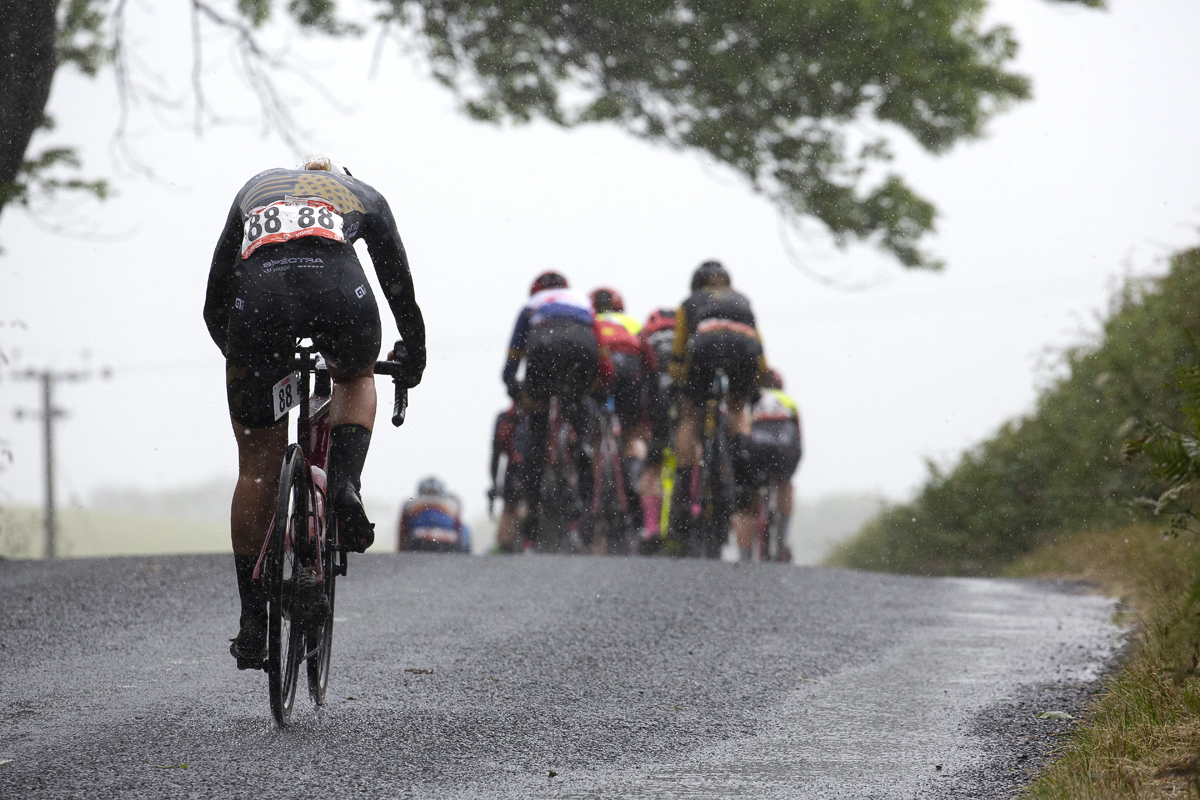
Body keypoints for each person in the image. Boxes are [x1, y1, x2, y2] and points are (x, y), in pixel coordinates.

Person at [204, 156, 425, 670]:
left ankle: (253, 620)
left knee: (257, 468)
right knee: (354, 375)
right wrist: (412, 354)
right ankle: (345, 483)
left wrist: (243, 360)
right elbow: (399, 288)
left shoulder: (255, 186)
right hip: (340, 294)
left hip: (260, 305)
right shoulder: (361, 193)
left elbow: (215, 299)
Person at [666, 260, 768, 558]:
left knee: (691, 415)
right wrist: (755, 384)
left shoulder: (689, 303)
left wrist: (679, 381)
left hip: (706, 344)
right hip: (744, 347)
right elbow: (758, 345)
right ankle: (741, 460)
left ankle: (685, 485)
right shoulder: (743, 301)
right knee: (737, 408)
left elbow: (680, 350)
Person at [502, 271, 610, 546]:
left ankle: (534, 505)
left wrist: (511, 383)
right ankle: (582, 445)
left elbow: (515, 350)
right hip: (583, 348)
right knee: (578, 403)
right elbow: (601, 346)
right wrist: (602, 383)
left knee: (537, 425)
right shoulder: (583, 301)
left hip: (544, 347)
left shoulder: (532, 305)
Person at [590, 288, 649, 547]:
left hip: (599, 366)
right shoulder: (633, 323)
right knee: (632, 434)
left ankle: (594, 479)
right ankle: (633, 476)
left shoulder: (590, 322)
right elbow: (649, 360)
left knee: (592, 436)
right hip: (629, 367)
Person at [747, 368, 802, 561]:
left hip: (756, 446)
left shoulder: (751, 399)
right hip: (784, 448)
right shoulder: (788, 401)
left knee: (748, 496)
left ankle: (745, 555)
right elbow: (798, 435)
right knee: (785, 485)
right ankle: (782, 540)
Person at [637, 307, 677, 551]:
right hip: (682, 404)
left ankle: (651, 527)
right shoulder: (687, 339)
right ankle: (692, 509)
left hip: (654, 407)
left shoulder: (646, 340)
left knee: (652, 467)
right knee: (689, 448)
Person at [488, 403, 527, 553]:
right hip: (516, 469)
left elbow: (496, 453)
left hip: (525, 468)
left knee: (512, 507)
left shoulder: (507, 417)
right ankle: (507, 543)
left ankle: (511, 542)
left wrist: (494, 481)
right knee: (510, 506)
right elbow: (496, 452)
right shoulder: (507, 418)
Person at [399, 477, 470, 553]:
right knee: (465, 530)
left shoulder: (410, 504)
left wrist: (402, 548)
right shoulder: (451, 503)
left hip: (419, 540)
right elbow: (458, 526)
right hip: (446, 541)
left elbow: (403, 529)